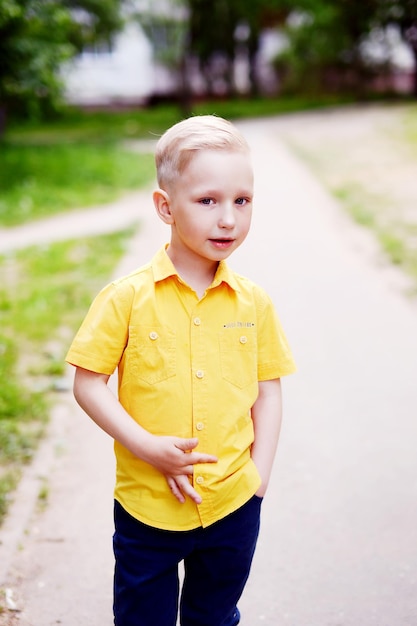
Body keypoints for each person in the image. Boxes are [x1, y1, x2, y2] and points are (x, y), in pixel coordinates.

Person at [65, 114, 296, 626]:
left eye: (243, 200)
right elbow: (88, 383)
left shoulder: (253, 302)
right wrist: (146, 447)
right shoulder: (126, 298)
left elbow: (269, 390)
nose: (228, 219)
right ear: (165, 207)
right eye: (208, 200)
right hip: (148, 509)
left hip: (233, 504)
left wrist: (258, 479)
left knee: (213, 617)